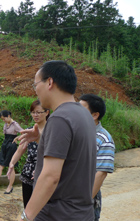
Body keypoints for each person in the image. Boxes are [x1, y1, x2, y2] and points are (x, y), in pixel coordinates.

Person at [16, 60, 97, 221]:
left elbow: (50, 177)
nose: (36, 91)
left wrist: (27, 216)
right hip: (81, 213)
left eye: (36, 84)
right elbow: (72, 155)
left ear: (50, 82)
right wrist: (42, 139)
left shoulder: (59, 118)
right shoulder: (83, 114)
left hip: (57, 214)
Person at [79, 94, 115, 221]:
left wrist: (84, 203)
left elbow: (100, 174)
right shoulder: (75, 131)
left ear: (95, 115)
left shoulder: (104, 139)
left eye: (81, 109)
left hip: (86, 196)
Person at [7, 100, 49, 207]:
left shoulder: (53, 131)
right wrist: (11, 164)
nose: (35, 115)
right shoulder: (30, 131)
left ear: (47, 112)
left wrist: (42, 168)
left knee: (43, 208)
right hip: (28, 173)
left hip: (46, 173)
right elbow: (20, 150)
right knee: (28, 206)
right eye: (33, 112)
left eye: (38, 112)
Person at [0, 110, 23, 194]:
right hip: (5, 145)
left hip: (11, 146)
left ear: (9, 116)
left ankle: (10, 186)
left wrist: (17, 138)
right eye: (2, 119)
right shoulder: (6, 124)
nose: (3, 120)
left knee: (11, 166)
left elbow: (23, 132)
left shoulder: (15, 124)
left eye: (4, 118)